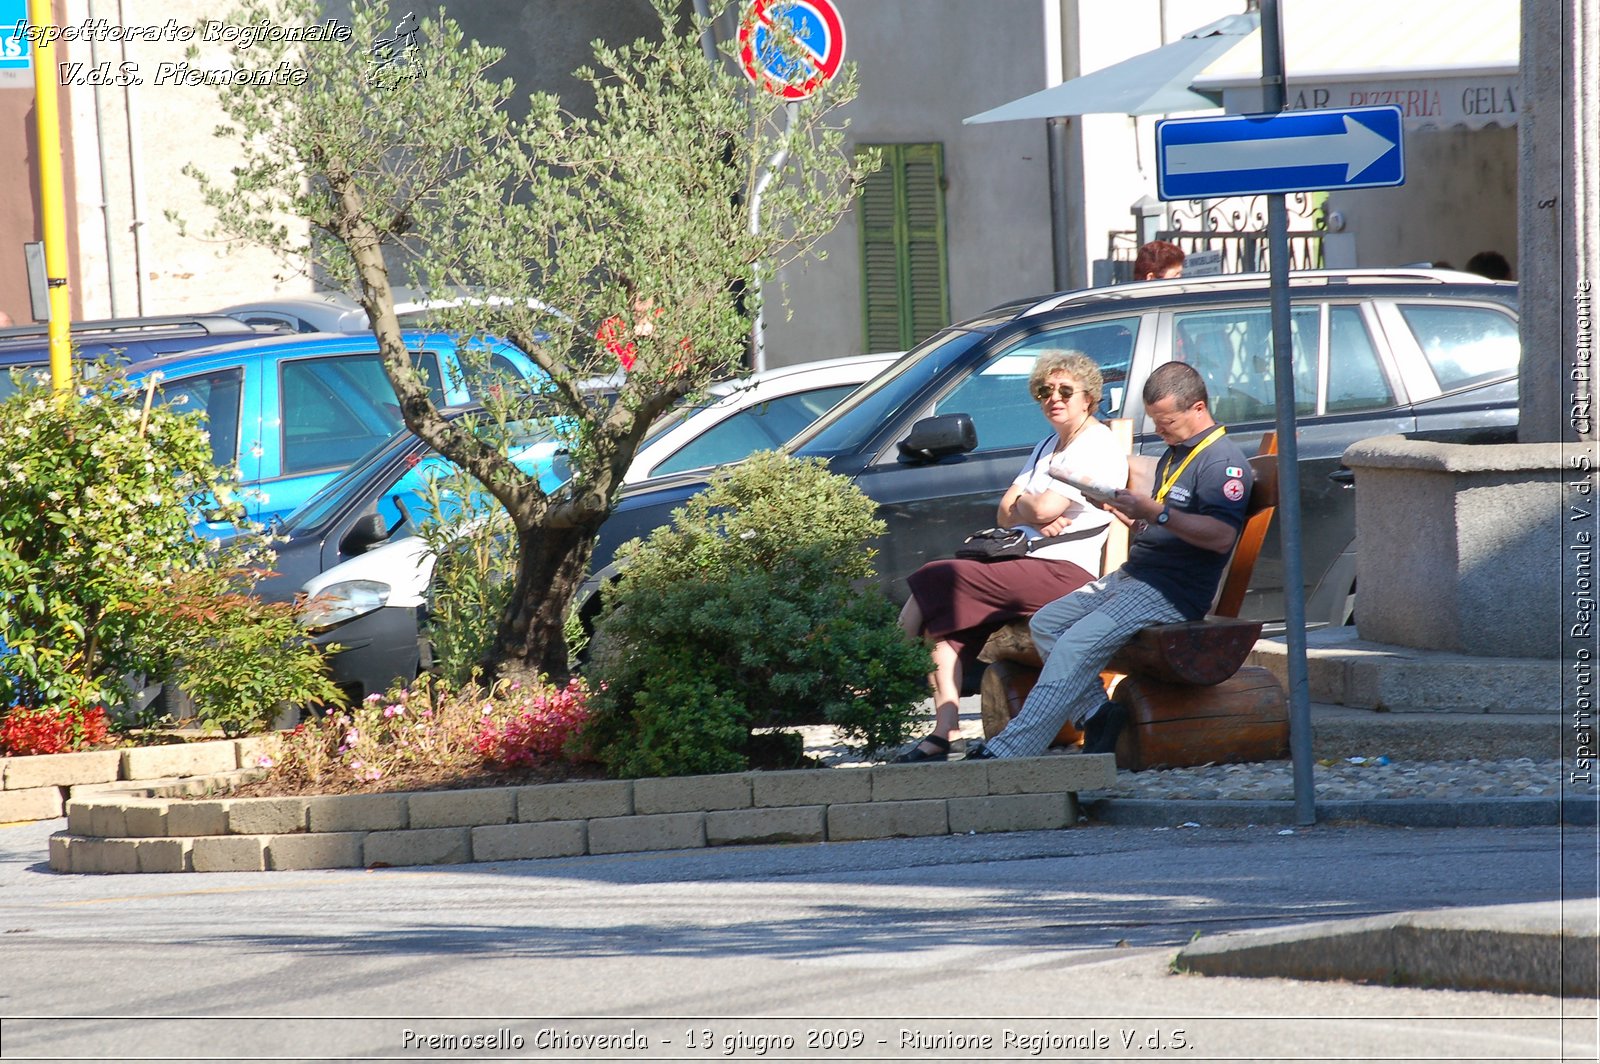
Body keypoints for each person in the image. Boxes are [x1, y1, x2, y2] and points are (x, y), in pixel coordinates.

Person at [965, 361, 1254, 761]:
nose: (1159, 429)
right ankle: (1098, 714)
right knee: (1048, 623)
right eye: (1154, 420)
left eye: (1166, 420)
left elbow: (1221, 537)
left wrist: (1156, 513)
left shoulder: (1222, 463)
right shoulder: (1177, 453)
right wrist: (1127, 514)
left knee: (1076, 644)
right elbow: (1164, 527)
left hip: (1171, 590)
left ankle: (1010, 751)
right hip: (1138, 575)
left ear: (1198, 408)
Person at [892, 350, 1129, 762]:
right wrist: (1031, 509)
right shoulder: (1047, 446)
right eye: (1044, 390)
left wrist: (1031, 509)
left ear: (1089, 397)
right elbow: (1006, 508)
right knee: (944, 630)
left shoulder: (1096, 445)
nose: (1053, 398)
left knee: (936, 576)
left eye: (1065, 391)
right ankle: (944, 731)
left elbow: (1039, 510)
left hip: (1064, 572)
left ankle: (884, 674)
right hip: (1026, 563)